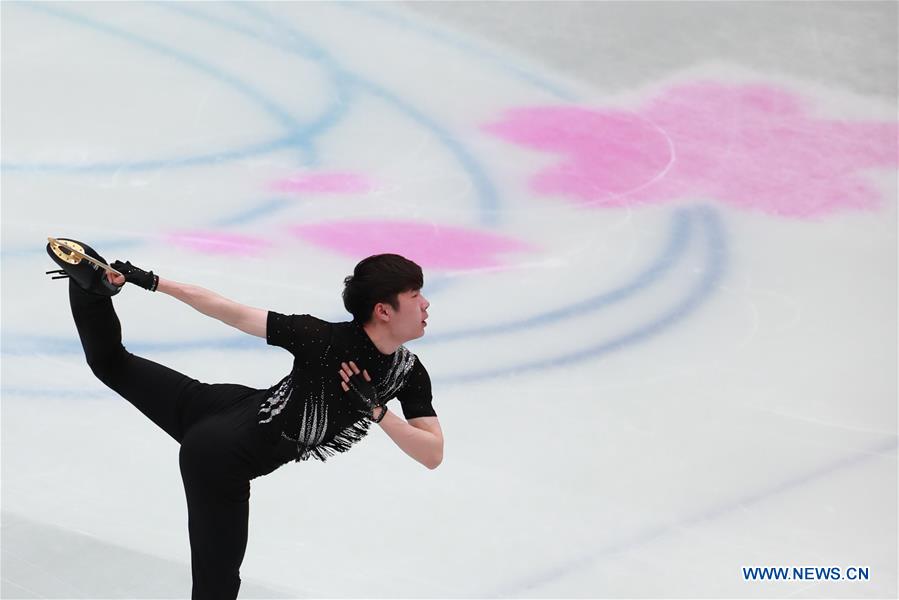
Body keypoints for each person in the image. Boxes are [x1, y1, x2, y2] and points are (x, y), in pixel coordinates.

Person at [45, 238, 443, 600]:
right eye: (415, 295)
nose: (425, 304)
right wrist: (150, 280)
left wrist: (377, 411)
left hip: (230, 406)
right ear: (383, 310)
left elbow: (432, 453)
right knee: (217, 587)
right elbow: (230, 312)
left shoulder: (407, 372)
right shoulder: (321, 338)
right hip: (221, 457)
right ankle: (91, 286)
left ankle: (88, 291)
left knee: (112, 364)